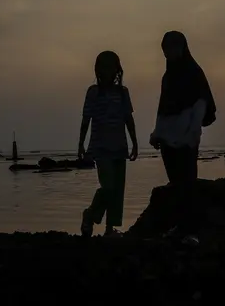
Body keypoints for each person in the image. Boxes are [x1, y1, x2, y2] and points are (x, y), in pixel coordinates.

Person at [149, 31, 216, 246]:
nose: (170, 52)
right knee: (176, 184)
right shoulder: (167, 77)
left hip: (187, 135)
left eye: (174, 47)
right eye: (167, 49)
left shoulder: (194, 73)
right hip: (168, 137)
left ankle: (192, 231)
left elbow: (201, 103)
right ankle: (179, 227)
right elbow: (162, 108)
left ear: (183, 48)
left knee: (188, 183)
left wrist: (193, 132)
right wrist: (157, 133)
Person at [78, 51, 139, 238]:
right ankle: (89, 215)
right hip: (100, 148)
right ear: (98, 70)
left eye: (111, 67)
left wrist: (135, 143)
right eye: (103, 67)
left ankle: (110, 228)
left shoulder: (122, 93)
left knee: (118, 190)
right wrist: (80, 144)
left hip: (120, 147)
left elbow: (128, 118)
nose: (107, 71)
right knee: (108, 187)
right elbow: (86, 118)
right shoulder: (93, 92)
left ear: (116, 70)